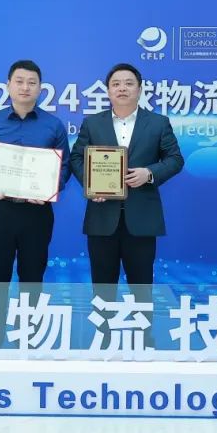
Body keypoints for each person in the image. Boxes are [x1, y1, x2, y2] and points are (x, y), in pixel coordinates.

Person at [70, 63, 183, 347]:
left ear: (140, 89)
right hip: (101, 216)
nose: (122, 88)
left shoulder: (158, 123)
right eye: (116, 84)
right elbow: (76, 158)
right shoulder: (92, 123)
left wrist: (149, 173)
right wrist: (91, 184)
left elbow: (175, 159)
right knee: (102, 283)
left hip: (142, 217)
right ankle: (103, 338)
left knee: (141, 284)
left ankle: (144, 338)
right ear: (108, 90)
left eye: (129, 83)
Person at [0, 59, 70, 346]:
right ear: (8, 85)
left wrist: (50, 188)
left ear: (40, 88)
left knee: (32, 276)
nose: (25, 87)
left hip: (37, 213)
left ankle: (29, 340)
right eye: (19, 81)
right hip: (0, 211)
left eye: (31, 82)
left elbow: (64, 167)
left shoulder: (53, 125)